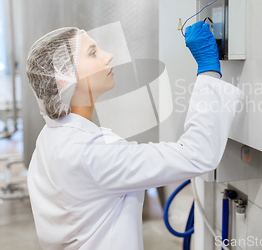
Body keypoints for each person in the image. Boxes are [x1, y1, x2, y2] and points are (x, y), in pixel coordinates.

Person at [26, 21, 243, 249]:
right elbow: (196, 154)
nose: (108, 56)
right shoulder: (92, 153)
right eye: (93, 53)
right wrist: (208, 69)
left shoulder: (50, 137)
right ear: (65, 79)